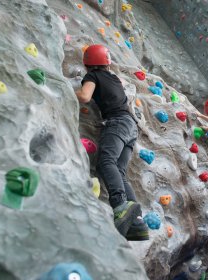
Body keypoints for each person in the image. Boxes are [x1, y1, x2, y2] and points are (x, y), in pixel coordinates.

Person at [75, 44, 148, 241]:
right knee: (119, 172)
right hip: (131, 126)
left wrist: (66, 90)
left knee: (105, 161)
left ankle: (120, 205)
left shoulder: (93, 76)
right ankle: (137, 224)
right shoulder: (114, 78)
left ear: (88, 63)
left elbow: (84, 96)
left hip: (117, 122)